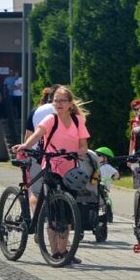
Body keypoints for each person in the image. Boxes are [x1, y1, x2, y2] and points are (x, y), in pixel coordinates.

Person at [16, 86, 91, 261]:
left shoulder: (77, 121)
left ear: (70, 103)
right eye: (55, 100)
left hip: (71, 169)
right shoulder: (51, 119)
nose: (58, 104)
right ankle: (55, 251)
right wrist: (25, 146)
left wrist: (79, 151)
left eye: (62, 100)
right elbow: (36, 135)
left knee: (67, 211)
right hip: (52, 166)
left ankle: (64, 252)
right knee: (54, 210)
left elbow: (83, 145)